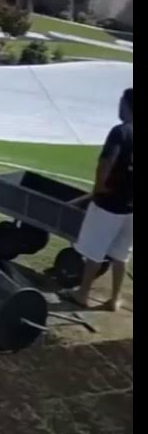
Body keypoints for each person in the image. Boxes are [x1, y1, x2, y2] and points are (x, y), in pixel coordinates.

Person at [72, 87, 133, 311]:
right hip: (131, 207)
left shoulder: (120, 132)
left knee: (95, 252)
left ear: (126, 105)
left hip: (110, 203)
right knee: (121, 254)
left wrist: (99, 188)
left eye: (121, 103)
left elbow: (106, 162)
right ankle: (115, 299)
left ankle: (83, 294)